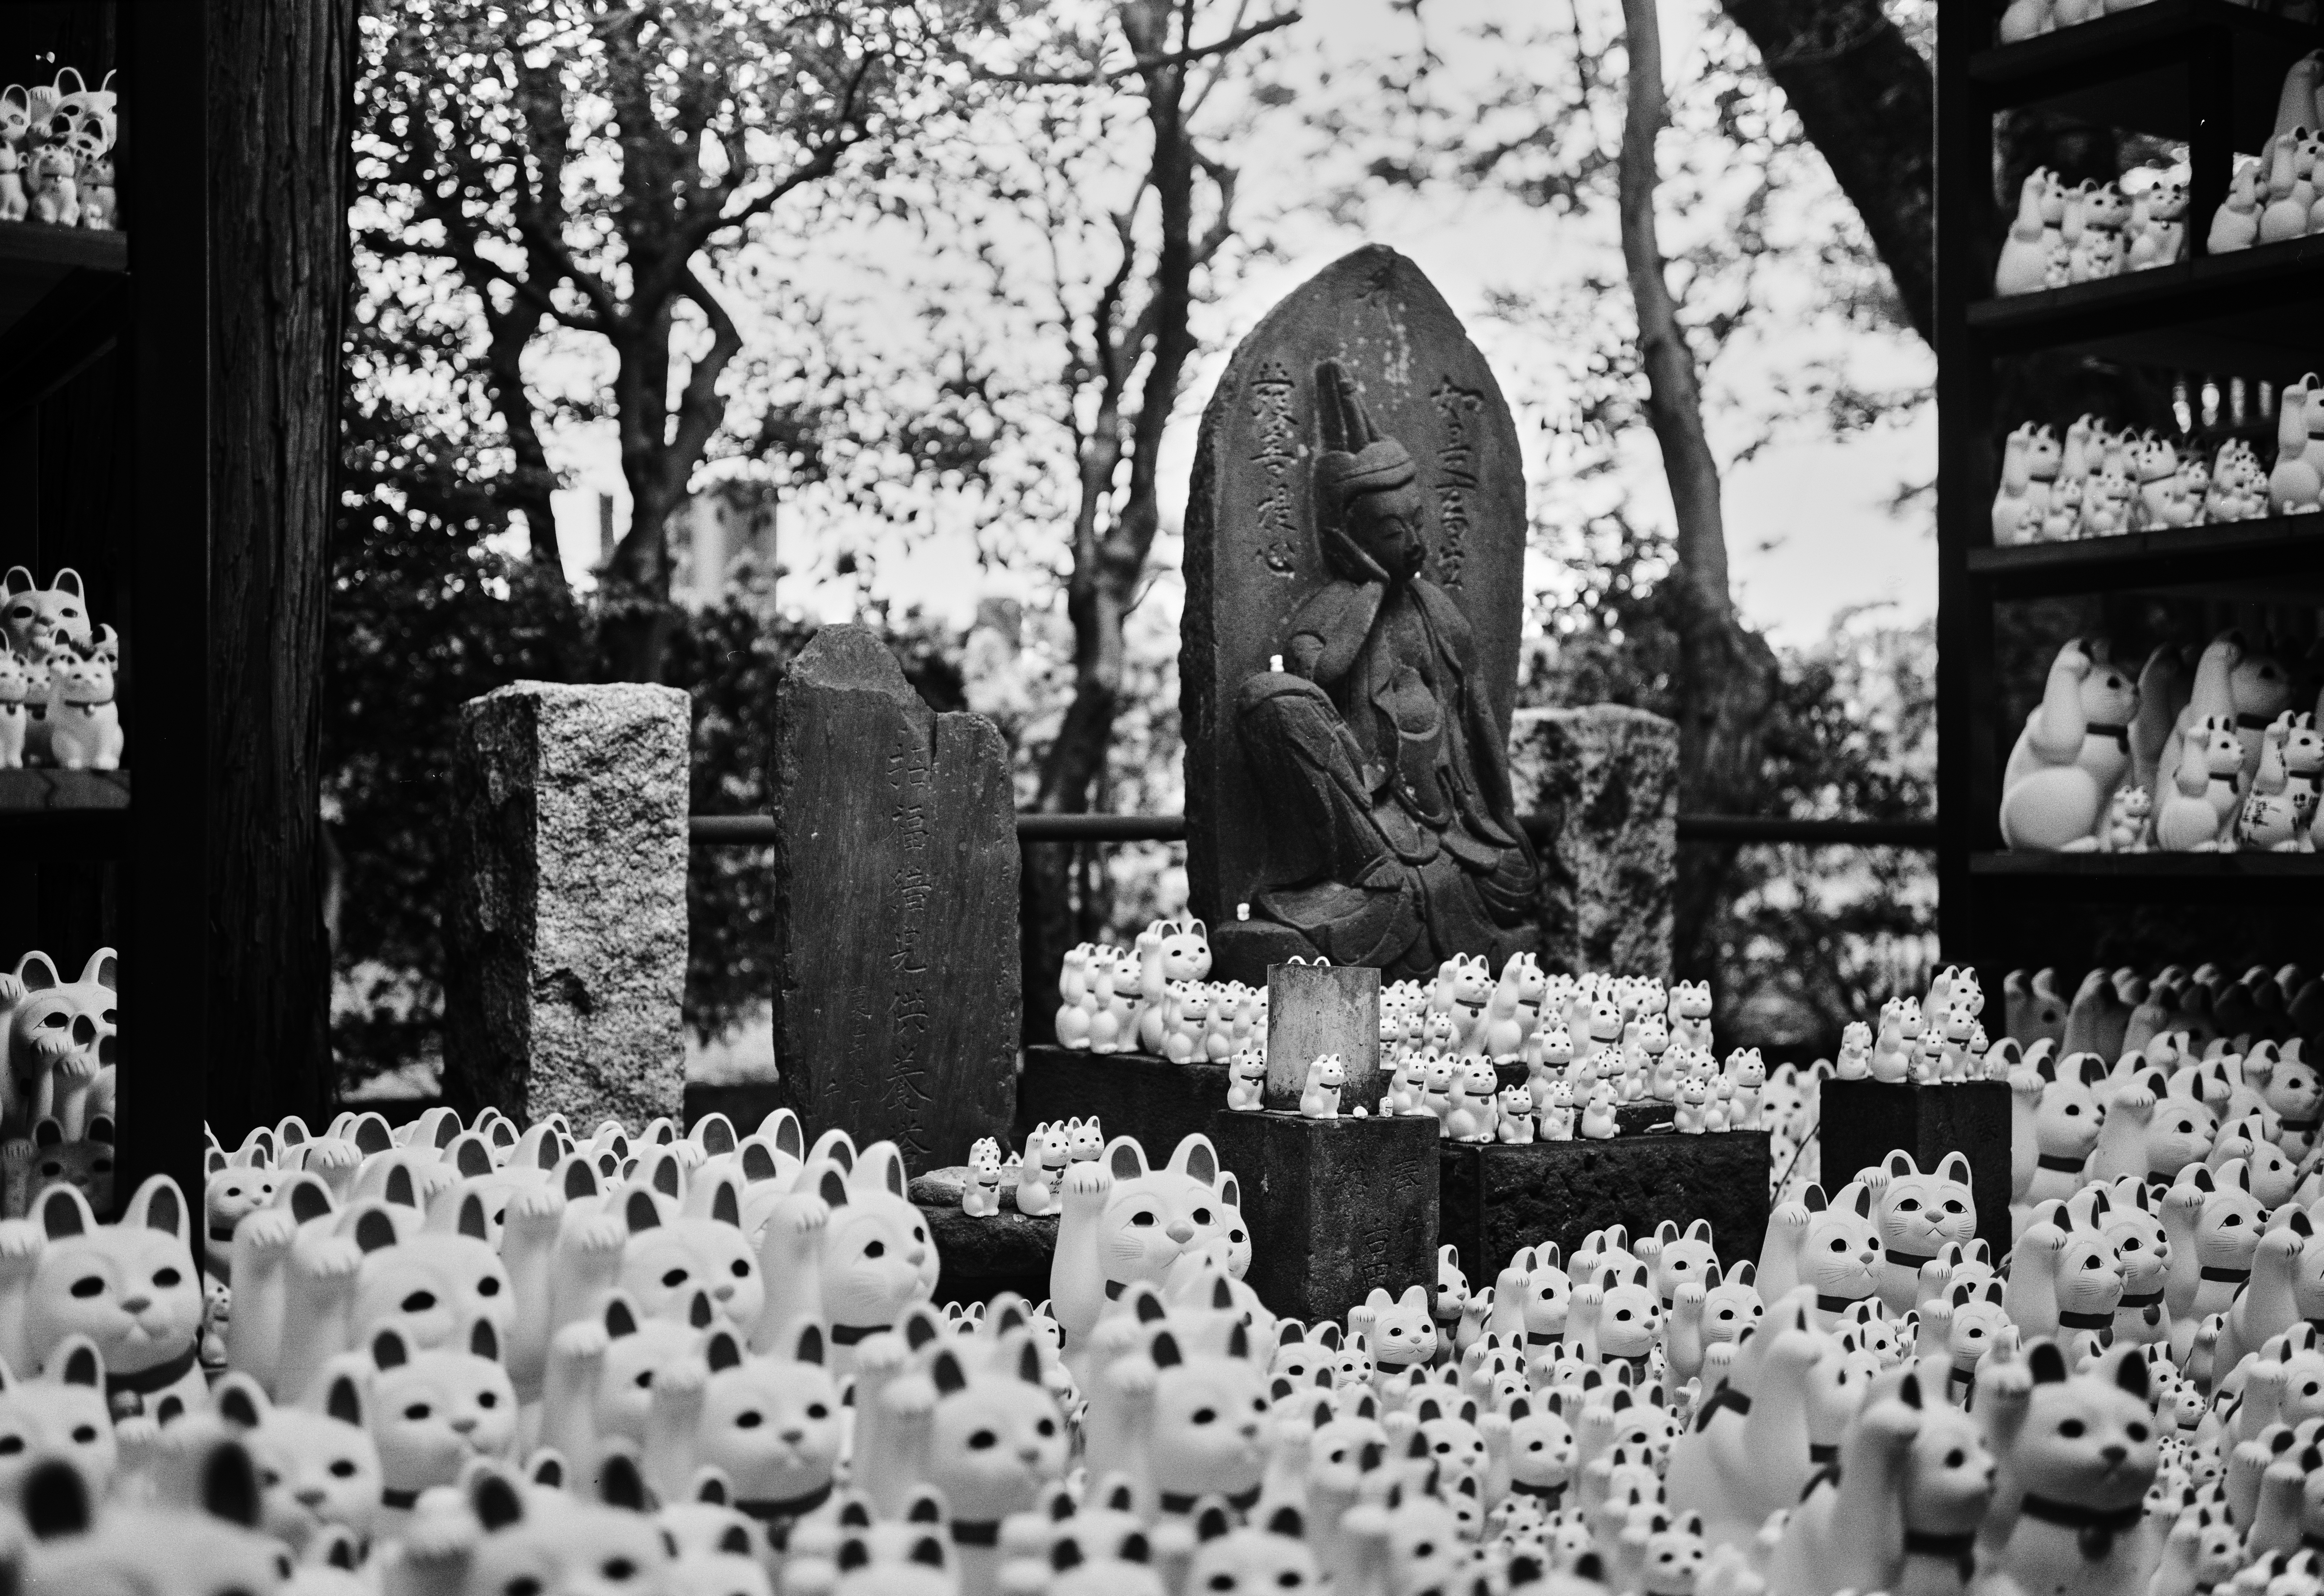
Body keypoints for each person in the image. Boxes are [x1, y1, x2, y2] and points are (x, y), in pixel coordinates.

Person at [1234, 361, 1540, 977]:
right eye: (1391, 530)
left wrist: (1504, 823)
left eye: (1417, 524)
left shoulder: (1439, 612)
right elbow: (1316, 682)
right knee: (1271, 699)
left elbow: (1478, 719)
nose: (1413, 542)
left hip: (1449, 820)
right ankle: (1378, 882)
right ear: (1347, 535)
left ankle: (1404, 903)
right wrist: (1371, 591)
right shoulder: (1330, 612)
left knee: (1517, 882)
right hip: (1370, 822)